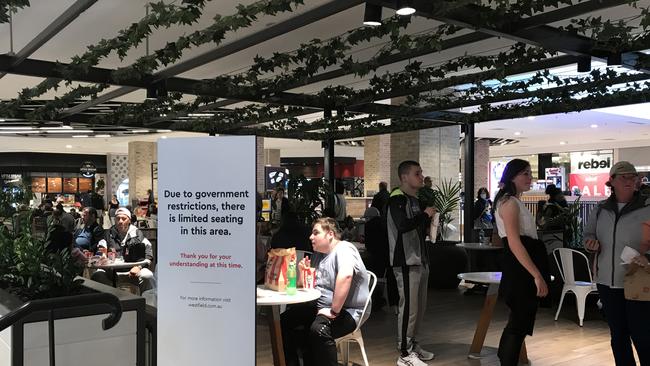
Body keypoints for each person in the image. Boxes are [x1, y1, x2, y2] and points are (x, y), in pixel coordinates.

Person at [584, 161, 650, 365]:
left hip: (638, 281)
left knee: (643, 336)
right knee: (618, 335)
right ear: (611, 181)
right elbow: (588, 234)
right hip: (607, 282)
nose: (629, 181)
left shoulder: (647, 208)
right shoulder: (601, 209)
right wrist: (590, 244)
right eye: (623, 177)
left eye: (632, 176)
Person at [281, 217, 370, 366]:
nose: (311, 237)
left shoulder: (344, 249)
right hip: (320, 307)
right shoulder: (318, 255)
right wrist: (303, 273)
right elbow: (309, 288)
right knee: (284, 321)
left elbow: (346, 275)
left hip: (348, 310)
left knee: (319, 330)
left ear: (330, 234)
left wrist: (334, 311)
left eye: (316, 233)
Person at [493, 159, 550, 366]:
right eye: (525, 173)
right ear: (512, 176)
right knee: (519, 323)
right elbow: (515, 242)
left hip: (521, 264)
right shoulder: (509, 202)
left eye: (529, 173)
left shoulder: (513, 201)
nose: (530, 178)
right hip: (520, 268)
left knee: (519, 322)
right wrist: (536, 275)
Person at [387, 160, 437, 366]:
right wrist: (425, 215)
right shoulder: (397, 199)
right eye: (417, 173)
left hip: (418, 259)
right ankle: (405, 352)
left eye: (421, 173)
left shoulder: (413, 200)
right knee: (409, 307)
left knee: (419, 307)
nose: (421, 176)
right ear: (404, 177)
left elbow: (414, 227)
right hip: (405, 261)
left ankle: (413, 345)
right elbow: (402, 225)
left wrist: (429, 222)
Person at [92, 208, 155, 293]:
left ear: (129, 220)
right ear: (114, 220)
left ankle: (148, 304)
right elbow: (101, 250)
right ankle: (108, 303)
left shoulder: (137, 233)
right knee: (97, 275)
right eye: (118, 219)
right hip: (111, 271)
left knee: (147, 276)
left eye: (124, 219)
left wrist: (139, 267)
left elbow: (149, 254)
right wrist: (103, 259)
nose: (120, 221)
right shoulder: (108, 233)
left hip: (133, 271)